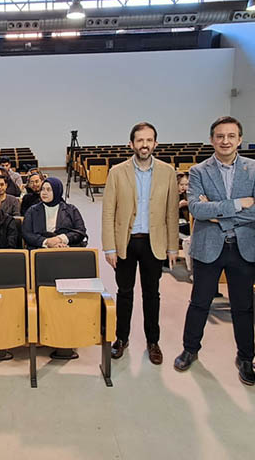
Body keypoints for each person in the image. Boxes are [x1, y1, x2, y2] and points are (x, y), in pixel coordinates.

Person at [174, 116, 255, 385]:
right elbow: (196, 209)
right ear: (212, 139)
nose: (225, 141)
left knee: (243, 306)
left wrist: (218, 213)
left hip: (244, 247)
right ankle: (190, 349)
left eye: (231, 136)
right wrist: (240, 204)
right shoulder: (199, 171)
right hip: (209, 247)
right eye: (219, 136)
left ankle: (245, 357)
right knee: (199, 303)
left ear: (240, 139)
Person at [101, 122, 179, 364]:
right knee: (124, 293)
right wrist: (110, 247)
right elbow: (108, 212)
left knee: (152, 294)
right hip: (125, 242)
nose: (144, 145)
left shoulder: (168, 172)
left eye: (149, 140)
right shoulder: (117, 172)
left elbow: (172, 212)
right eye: (140, 140)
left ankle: (152, 341)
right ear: (131, 144)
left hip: (153, 243)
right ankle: (121, 338)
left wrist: (172, 246)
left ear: (155, 143)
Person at [22, 177, 86, 249]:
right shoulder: (32, 210)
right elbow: (27, 233)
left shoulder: (71, 210)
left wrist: (61, 239)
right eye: (42, 189)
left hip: (66, 248)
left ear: (57, 191)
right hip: (40, 250)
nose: (44, 193)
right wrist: (46, 242)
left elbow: (81, 231)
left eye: (48, 190)